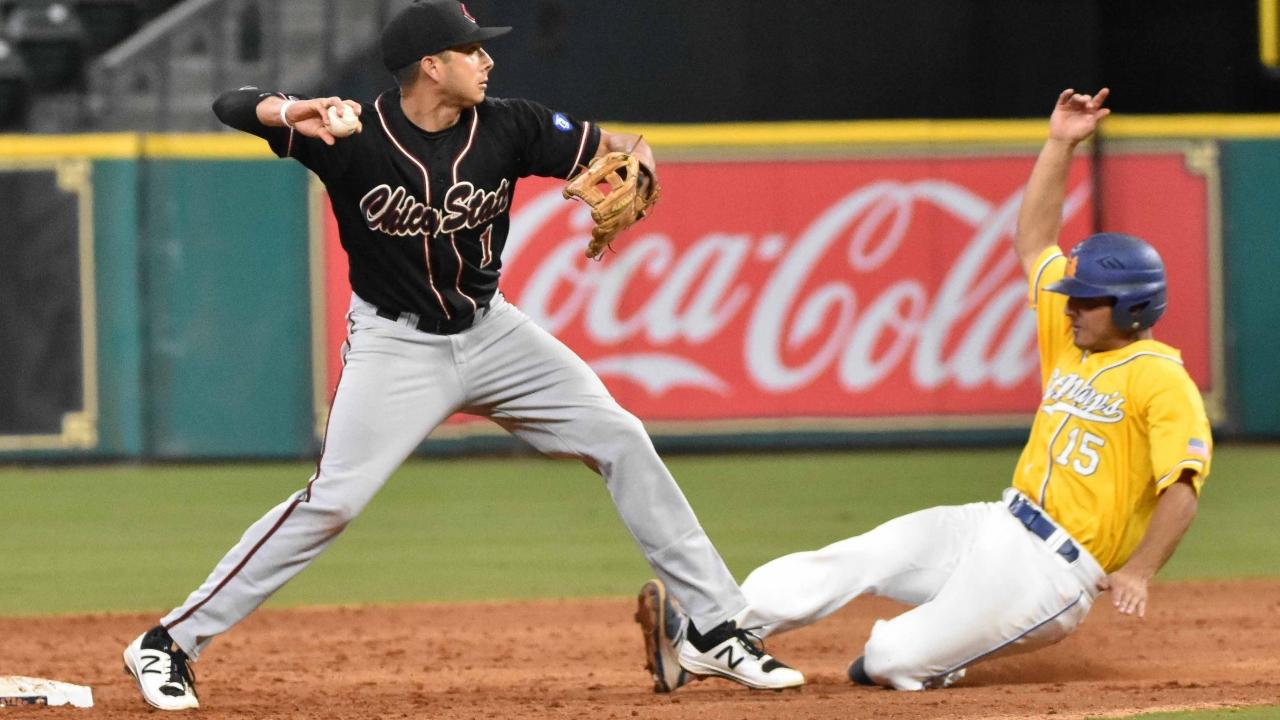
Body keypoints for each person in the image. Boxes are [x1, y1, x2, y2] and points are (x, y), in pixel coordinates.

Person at [121, 1, 803, 710]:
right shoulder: (352, 134)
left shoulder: (510, 124)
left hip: (493, 332)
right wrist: (292, 112)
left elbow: (620, 145)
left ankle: (715, 627)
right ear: (431, 65)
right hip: (396, 346)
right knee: (334, 501)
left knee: (623, 438)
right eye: (471, 50)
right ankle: (168, 643)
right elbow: (230, 103)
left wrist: (640, 164)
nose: (487, 60)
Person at [636, 87, 1212, 692]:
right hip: (997, 522)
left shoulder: (1162, 379)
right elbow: (1034, 242)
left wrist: (1140, 571)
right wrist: (1059, 144)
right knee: (861, 556)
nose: (1069, 308)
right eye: (1070, 297)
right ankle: (709, 633)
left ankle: (932, 651)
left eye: (1086, 300)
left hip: (1054, 575)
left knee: (888, 659)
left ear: (1132, 307)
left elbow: (1182, 488)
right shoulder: (1073, 340)